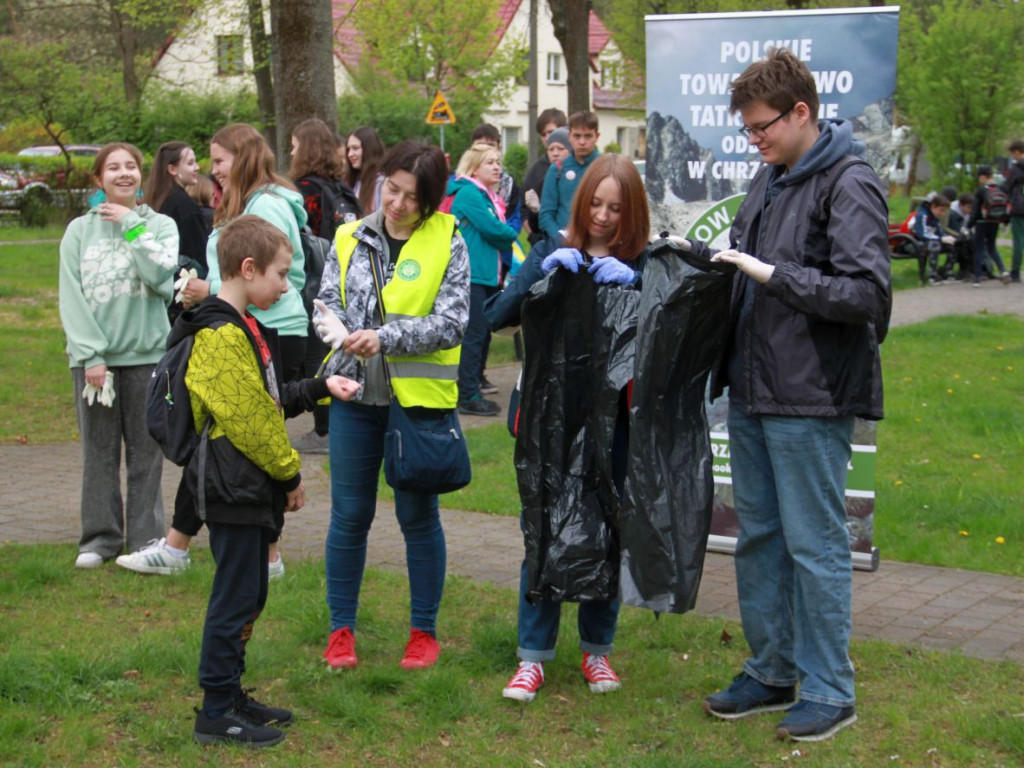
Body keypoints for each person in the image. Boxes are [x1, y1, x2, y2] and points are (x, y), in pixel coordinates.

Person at [698, 48, 890, 743]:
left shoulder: (849, 182)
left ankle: (831, 690)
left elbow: (867, 294)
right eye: (748, 130)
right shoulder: (770, 178)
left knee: (814, 545)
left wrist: (776, 275)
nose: (755, 140)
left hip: (810, 397)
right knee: (761, 539)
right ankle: (772, 671)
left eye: (762, 127)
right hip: (751, 390)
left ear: (802, 111)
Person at [184, 214, 359, 748]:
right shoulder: (217, 334)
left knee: (251, 593)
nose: (287, 286)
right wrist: (290, 476)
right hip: (232, 487)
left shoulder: (244, 327)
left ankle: (231, 692)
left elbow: (265, 399)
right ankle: (215, 711)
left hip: (247, 487)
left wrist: (318, 386)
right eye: (282, 275)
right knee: (234, 597)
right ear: (248, 268)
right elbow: (250, 422)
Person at [116, 123, 309, 578]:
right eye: (204, 160)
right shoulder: (230, 204)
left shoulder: (182, 214)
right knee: (226, 439)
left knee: (238, 436)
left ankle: (252, 553)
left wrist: (209, 289)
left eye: (218, 159)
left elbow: (272, 272)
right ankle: (219, 550)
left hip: (266, 327)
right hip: (238, 322)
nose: (210, 168)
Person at [314, 140, 470, 671]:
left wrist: (386, 337)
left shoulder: (449, 240)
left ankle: (423, 633)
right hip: (354, 399)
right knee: (349, 516)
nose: (397, 203)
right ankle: (340, 632)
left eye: (411, 197)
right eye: (391, 189)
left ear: (431, 201)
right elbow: (325, 301)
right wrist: (334, 329)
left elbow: (452, 322)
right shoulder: (347, 235)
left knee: (418, 517)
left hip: (418, 404)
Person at [501, 154, 649, 704]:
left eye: (616, 207)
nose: (605, 217)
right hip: (549, 421)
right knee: (542, 526)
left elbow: (670, 342)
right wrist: (542, 275)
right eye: (596, 204)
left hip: (615, 424)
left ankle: (596, 651)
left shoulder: (645, 264)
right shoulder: (548, 251)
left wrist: (638, 290)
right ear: (581, 201)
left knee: (607, 529)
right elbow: (497, 313)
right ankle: (532, 657)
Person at [58, 143, 178, 569]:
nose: (123, 174)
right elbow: (71, 297)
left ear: (141, 176)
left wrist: (130, 224)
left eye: (130, 167)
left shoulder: (160, 225)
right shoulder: (78, 231)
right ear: (98, 179)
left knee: (146, 455)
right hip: (96, 365)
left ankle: (146, 539)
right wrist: (91, 355)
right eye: (113, 168)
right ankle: (99, 539)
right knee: (99, 452)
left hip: (147, 358)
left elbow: (162, 277)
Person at [289, 117, 361, 454]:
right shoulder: (342, 188)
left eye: (293, 145)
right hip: (350, 280)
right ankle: (338, 423)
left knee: (319, 354)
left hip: (318, 281)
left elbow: (303, 239)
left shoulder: (305, 190)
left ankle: (323, 431)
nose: (290, 151)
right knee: (339, 349)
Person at [447, 142, 520, 417]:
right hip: (473, 275)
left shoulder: (486, 196)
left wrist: (506, 229)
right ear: (474, 168)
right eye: (490, 162)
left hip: (488, 274)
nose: (497, 167)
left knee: (480, 335)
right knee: (474, 336)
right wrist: (510, 228)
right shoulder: (469, 194)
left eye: (498, 162)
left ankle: (471, 388)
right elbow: (497, 231)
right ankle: (467, 395)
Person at [144, 141, 211, 278]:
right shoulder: (184, 204)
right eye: (190, 163)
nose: (197, 167)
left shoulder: (156, 200)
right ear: (172, 169)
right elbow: (198, 251)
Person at [538, 110, 601, 241]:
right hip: (565, 245)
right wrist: (561, 239)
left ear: (597, 136)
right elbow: (546, 214)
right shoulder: (557, 169)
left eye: (588, 136)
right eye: (577, 136)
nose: (582, 142)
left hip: (599, 245)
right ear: (569, 136)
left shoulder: (606, 167)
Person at [522, 108, 568, 245]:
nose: (548, 138)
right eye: (543, 134)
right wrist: (532, 235)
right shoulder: (536, 170)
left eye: (551, 132)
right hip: (545, 239)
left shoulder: (576, 168)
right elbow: (524, 209)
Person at [969, 165, 1011, 287]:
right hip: (995, 221)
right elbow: (1007, 206)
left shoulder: (981, 190)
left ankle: (977, 278)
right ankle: (1003, 270)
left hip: (981, 222)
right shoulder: (1001, 188)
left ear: (982, 177)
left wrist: (968, 225)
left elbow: (975, 210)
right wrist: (1005, 222)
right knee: (992, 247)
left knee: (979, 248)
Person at [911, 194, 956, 283]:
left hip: (928, 241)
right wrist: (940, 239)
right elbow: (922, 235)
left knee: (952, 245)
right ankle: (933, 276)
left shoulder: (935, 217)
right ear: (933, 206)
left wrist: (946, 238)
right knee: (934, 244)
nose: (942, 214)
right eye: (941, 210)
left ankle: (947, 271)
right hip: (913, 242)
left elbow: (939, 232)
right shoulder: (922, 215)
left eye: (944, 211)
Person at [345, 126, 386, 215]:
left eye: (355, 148)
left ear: (369, 149)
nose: (350, 154)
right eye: (348, 149)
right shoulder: (354, 181)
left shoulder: (381, 183)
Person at [1003, 140, 1024, 282]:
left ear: (1017, 152)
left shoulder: (1016, 169)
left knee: (1019, 241)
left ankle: (1015, 272)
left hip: (1019, 208)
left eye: (1012, 154)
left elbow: (1007, 187)